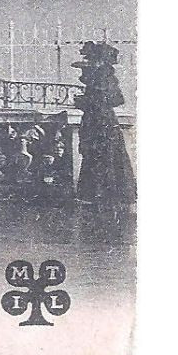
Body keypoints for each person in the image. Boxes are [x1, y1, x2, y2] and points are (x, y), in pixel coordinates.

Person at [72, 42, 134, 222]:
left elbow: (116, 99)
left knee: (103, 157)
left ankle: (104, 199)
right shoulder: (99, 77)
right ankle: (102, 199)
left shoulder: (103, 77)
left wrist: (88, 101)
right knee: (99, 157)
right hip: (98, 121)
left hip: (102, 122)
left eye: (91, 60)